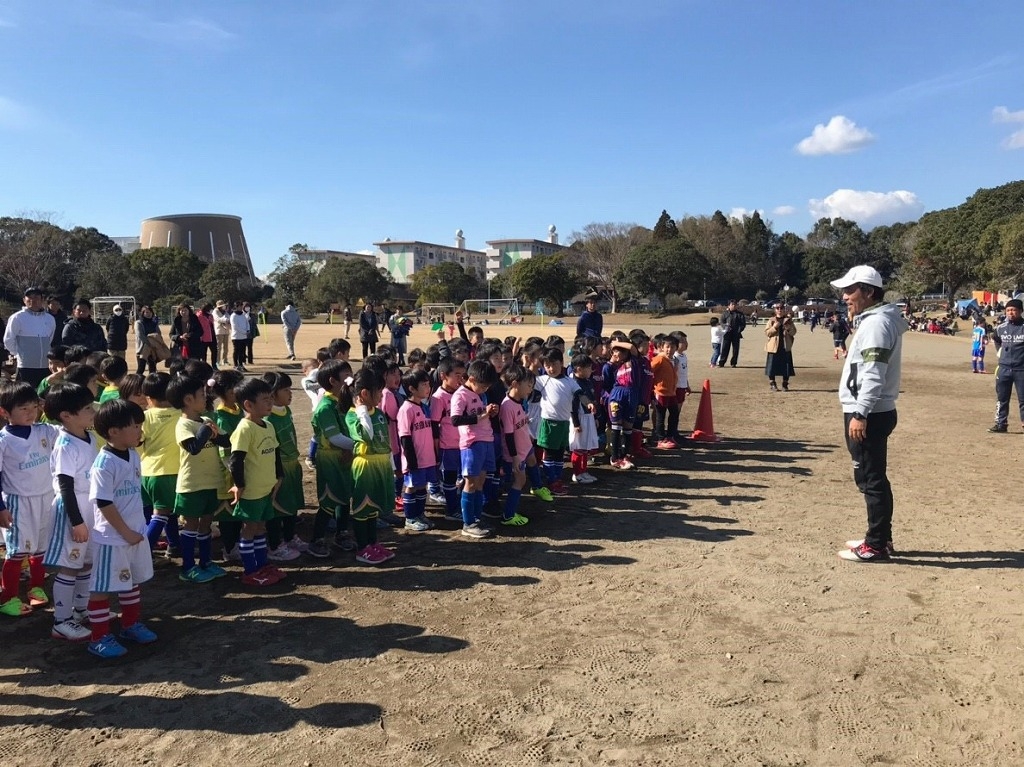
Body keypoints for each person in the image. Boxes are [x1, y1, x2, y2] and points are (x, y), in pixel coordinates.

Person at [829, 265, 906, 563]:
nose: (845, 296)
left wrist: (861, 412)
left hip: (868, 413)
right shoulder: (875, 321)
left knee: (869, 478)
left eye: (850, 290)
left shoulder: (876, 325)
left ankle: (875, 544)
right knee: (873, 476)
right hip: (871, 410)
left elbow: (874, 373)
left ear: (869, 292)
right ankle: (880, 537)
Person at [86, 399, 157, 658]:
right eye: (135, 426)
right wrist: (125, 532)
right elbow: (104, 502)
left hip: (134, 534)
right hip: (112, 538)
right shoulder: (104, 464)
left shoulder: (133, 454)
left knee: (131, 582)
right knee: (102, 588)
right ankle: (99, 638)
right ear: (114, 431)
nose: (140, 431)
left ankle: (129, 625)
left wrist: (137, 529)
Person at [43, 383, 98, 641]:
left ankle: (81, 610)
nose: (93, 411)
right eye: (87, 408)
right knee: (69, 567)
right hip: (72, 511)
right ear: (66, 415)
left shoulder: (91, 437)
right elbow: (65, 486)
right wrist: (77, 522)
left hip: (89, 509)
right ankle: (61, 621)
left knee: (86, 562)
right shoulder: (65, 444)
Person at [0, 381, 60, 617]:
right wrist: (1, 508)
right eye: (23, 408)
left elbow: (67, 426)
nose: (30, 413)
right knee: (17, 552)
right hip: (18, 502)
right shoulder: (3, 441)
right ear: (5, 412)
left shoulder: (44, 431)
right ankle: (8, 598)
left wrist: (49, 406)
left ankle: (36, 588)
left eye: (34, 407)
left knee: (41, 549)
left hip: (46, 499)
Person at [167, 375, 231, 584]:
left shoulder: (206, 421)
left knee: (206, 524)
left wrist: (213, 432)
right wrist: (207, 431)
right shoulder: (183, 425)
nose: (206, 398)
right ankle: (187, 567)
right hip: (191, 484)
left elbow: (225, 439)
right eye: (202, 395)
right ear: (187, 400)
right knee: (191, 526)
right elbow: (193, 448)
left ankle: (205, 562)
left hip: (211, 482)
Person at [228, 377, 284, 587]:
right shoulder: (245, 428)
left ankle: (262, 565)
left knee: (261, 527)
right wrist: (240, 485)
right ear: (248, 405)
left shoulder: (268, 425)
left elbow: (275, 452)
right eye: (265, 399)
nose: (270, 403)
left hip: (266, 488)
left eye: (271, 398)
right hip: (251, 491)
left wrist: (279, 476)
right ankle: (250, 570)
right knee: (250, 528)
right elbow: (236, 459)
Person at [343, 369, 397, 563]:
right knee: (362, 508)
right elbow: (367, 435)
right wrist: (361, 410)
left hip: (381, 465)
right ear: (365, 394)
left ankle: (373, 544)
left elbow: (386, 441)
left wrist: (391, 466)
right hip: (365, 466)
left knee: (373, 508)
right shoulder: (353, 415)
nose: (382, 396)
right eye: (379, 392)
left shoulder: (380, 413)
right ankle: (363, 548)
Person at [308, 359, 356, 558]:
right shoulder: (325, 408)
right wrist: (358, 446)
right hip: (330, 460)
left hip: (345, 456)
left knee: (344, 497)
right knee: (329, 500)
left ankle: (341, 533)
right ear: (332, 381)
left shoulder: (342, 402)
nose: (350, 379)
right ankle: (317, 539)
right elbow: (334, 437)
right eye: (346, 376)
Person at [451, 359, 499, 539]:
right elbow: (455, 420)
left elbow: (481, 414)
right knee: (470, 482)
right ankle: (468, 523)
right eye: (483, 386)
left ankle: (477, 518)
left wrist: (490, 413)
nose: (485, 389)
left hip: (486, 440)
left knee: (480, 481)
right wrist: (481, 416)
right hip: (471, 443)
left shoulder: (481, 394)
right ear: (471, 378)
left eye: (487, 387)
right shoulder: (460, 395)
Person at [263, 372, 305, 561]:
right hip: (278, 469)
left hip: (292, 464)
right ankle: (274, 544)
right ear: (272, 394)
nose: (290, 393)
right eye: (286, 390)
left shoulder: (286, 411)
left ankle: (289, 537)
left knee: (292, 503)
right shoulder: (267, 419)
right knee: (276, 508)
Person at [138, 373, 182, 556]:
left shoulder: (144, 417)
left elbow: (138, 442)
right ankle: (141, 553)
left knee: (166, 513)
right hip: (168, 473)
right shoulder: (181, 415)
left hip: (146, 472)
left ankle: (174, 545)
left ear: (148, 397)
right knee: (162, 514)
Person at [536, 347, 580, 496]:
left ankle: (557, 479)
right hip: (548, 423)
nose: (551, 368)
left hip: (564, 423)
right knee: (549, 454)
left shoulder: (570, 382)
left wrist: (589, 404)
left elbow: (580, 394)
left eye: (554, 364)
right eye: (547, 365)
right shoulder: (542, 381)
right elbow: (526, 379)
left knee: (559, 454)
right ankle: (551, 481)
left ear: (562, 363)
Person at [397, 369, 436, 533]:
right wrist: (411, 460)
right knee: (411, 486)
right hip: (415, 458)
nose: (428, 388)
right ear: (412, 389)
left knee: (422, 486)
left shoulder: (424, 407)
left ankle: (420, 514)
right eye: (424, 385)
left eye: (428, 384)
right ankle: (410, 518)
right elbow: (405, 437)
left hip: (427, 458)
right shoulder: (406, 409)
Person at [4, 287, 57, 388]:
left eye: (36, 297)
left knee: (43, 396)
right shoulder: (17, 317)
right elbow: (8, 339)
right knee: (24, 397)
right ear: (24, 300)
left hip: (45, 366)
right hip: (25, 367)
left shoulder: (49, 319)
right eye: (30, 297)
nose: (33, 300)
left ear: (42, 300)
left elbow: (50, 338)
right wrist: (19, 355)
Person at [989, 298, 1024, 432]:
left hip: (1021, 369)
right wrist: (1000, 352)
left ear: (1020, 311)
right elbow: (996, 339)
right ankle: (1001, 424)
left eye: (1014, 310)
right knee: (1002, 398)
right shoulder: (1001, 328)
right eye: (1008, 310)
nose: (1011, 313)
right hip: (1004, 368)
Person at [764, 305, 797, 392]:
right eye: (777, 308)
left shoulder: (788, 321)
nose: (780, 310)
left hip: (785, 346)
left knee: (786, 367)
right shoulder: (771, 320)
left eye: (781, 308)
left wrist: (789, 328)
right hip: (774, 347)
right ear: (775, 310)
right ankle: (773, 384)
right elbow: (767, 333)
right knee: (772, 367)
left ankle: (785, 384)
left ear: (784, 310)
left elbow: (794, 332)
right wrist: (774, 327)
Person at [717, 300, 746, 368]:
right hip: (727, 333)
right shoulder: (725, 313)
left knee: (735, 349)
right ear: (729, 305)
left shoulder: (740, 314)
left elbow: (743, 324)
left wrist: (739, 330)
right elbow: (721, 321)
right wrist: (725, 327)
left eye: (735, 304)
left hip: (736, 334)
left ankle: (733, 363)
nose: (734, 306)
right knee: (725, 348)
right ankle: (722, 362)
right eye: (732, 304)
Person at [134, 306, 161, 375]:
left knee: (152, 367)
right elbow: (140, 335)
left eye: (150, 312)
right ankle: (137, 382)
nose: (149, 314)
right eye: (146, 312)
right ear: (143, 313)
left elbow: (158, 333)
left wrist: (156, 341)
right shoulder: (139, 323)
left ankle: (152, 382)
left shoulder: (154, 323)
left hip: (153, 348)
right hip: (143, 347)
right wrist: (149, 343)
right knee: (141, 367)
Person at [230, 303, 249, 371]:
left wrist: (248, 329)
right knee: (236, 351)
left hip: (243, 337)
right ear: (237, 307)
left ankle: (241, 365)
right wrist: (244, 332)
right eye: (240, 306)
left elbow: (247, 323)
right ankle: (235, 365)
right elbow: (235, 327)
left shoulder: (243, 314)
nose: (241, 308)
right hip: (236, 337)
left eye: (242, 306)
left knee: (242, 352)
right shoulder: (233, 316)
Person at [213, 301, 232, 365]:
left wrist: (228, 320)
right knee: (218, 347)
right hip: (219, 331)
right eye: (222, 306)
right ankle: (217, 361)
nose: (224, 307)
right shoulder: (215, 311)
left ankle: (225, 360)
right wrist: (226, 320)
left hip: (226, 331)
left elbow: (229, 318)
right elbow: (217, 319)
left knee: (226, 347)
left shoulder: (225, 312)